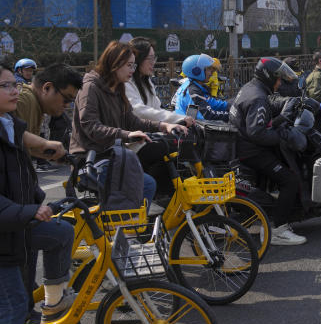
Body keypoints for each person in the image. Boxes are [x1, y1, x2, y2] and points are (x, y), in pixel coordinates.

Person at [0, 62, 61, 324]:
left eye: (13, 83)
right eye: (6, 85)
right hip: (7, 233)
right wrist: (27, 213)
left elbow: (22, 174)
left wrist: (35, 203)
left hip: (13, 229)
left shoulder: (10, 127)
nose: (14, 90)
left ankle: (55, 296)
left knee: (61, 233)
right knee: (11, 307)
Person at [70, 41, 186, 207]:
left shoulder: (117, 87)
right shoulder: (90, 88)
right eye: (129, 65)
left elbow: (131, 120)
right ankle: (120, 228)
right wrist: (126, 134)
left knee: (155, 172)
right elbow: (90, 126)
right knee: (146, 184)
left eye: (134, 65)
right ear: (115, 64)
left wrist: (163, 126)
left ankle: (127, 223)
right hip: (90, 160)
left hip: (112, 156)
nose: (133, 70)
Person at [229, 57, 306, 246]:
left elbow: (263, 113)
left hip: (241, 145)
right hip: (252, 151)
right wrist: (281, 135)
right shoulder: (258, 97)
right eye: (278, 79)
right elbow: (258, 133)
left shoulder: (250, 88)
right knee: (290, 180)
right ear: (269, 78)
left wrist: (284, 106)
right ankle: (278, 229)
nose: (280, 83)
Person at [125, 37, 195, 201]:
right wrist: (174, 120)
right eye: (150, 59)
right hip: (133, 142)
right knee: (169, 148)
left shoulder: (146, 81)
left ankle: (169, 199)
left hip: (150, 135)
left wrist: (176, 120)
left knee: (181, 148)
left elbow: (156, 109)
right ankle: (164, 198)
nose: (153, 63)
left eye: (154, 58)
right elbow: (139, 111)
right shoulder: (126, 82)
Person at [14, 63, 82, 161]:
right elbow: (8, 134)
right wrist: (43, 143)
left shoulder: (36, 104)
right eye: (66, 99)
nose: (67, 105)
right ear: (47, 88)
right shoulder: (22, 100)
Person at [172, 54, 230, 122]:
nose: (211, 73)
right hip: (189, 129)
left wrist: (233, 104)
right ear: (197, 71)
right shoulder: (193, 91)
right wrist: (232, 115)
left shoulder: (194, 86)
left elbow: (213, 103)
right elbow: (208, 115)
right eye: (208, 69)